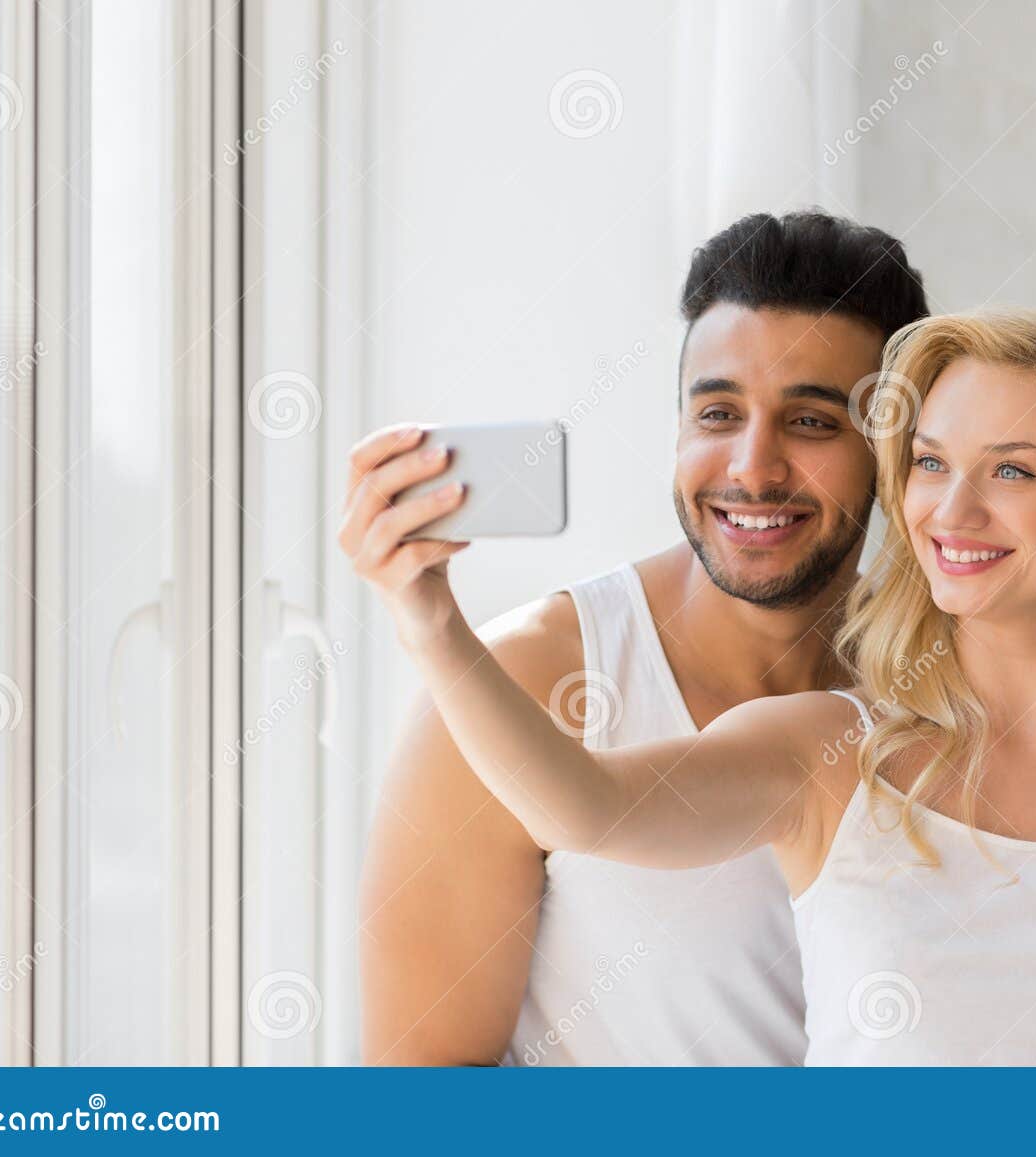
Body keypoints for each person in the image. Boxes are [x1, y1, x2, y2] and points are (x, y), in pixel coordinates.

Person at [347, 307, 1036, 1066]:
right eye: (931, 463)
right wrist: (429, 620)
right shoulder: (826, 753)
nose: (951, 509)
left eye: (1010, 469)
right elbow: (587, 807)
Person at [352, 211, 929, 1064]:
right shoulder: (517, 686)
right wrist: (430, 622)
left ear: (897, 447)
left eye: (810, 422)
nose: (753, 468)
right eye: (719, 414)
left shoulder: (944, 686)